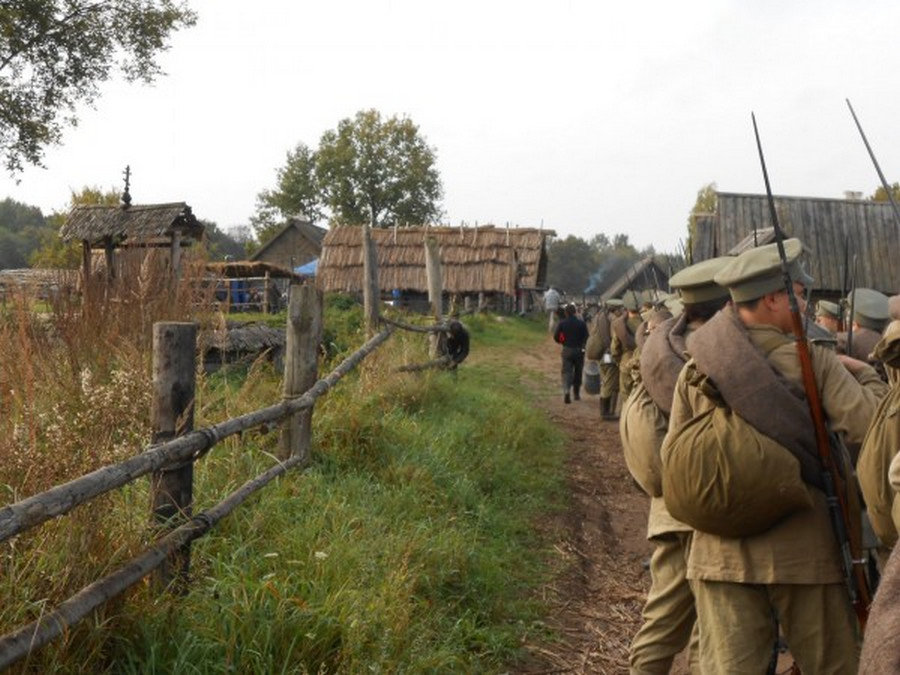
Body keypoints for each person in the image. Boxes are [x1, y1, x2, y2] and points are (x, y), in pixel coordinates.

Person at [662, 239, 887, 674]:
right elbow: (868, 427)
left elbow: (675, 454)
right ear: (770, 299)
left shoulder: (697, 364)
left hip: (719, 555)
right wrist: (867, 377)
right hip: (806, 556)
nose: (803, 305)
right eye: (797, 294)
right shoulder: (814, 360)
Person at [621, 256, 732, 675]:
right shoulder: (711, 353)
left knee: (664, 615)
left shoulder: (659, 346)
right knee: (707, 621)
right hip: (702, 504)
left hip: (668, 504)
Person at [553, 302, 588, 404]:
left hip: (567, 349)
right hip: (579, 350)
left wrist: (562, 342)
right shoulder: (581, 323)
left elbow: (556, 336)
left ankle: (566, 391)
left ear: (566, 313)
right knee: (578, 371)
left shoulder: (562, 323)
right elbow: (586, 336)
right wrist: (582, 345)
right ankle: (576, 394)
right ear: (575, 312)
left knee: (566, 371)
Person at [610, 291, 642, 400]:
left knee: (626, 397)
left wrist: (618, 360)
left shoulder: (620, 325)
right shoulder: (647, 323)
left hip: (626, 362)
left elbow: (615, 348)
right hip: (642, 364)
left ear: (626, 307)